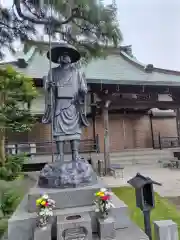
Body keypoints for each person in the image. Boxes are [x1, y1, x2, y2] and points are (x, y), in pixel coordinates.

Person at [42, 43, 89, 163]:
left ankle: (75, 154)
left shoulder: (77, 72)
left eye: (67, 55)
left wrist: (83, 91)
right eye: (62, 55)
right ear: (59, 58)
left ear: (71, 59)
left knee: (75, 130)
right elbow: (46, 87)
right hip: (59, 105)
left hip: (72, 104)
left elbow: (83, 88)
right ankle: (60, 154)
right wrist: (49, 86)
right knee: (59, 130)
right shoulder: (52, 72)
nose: (64, 57)